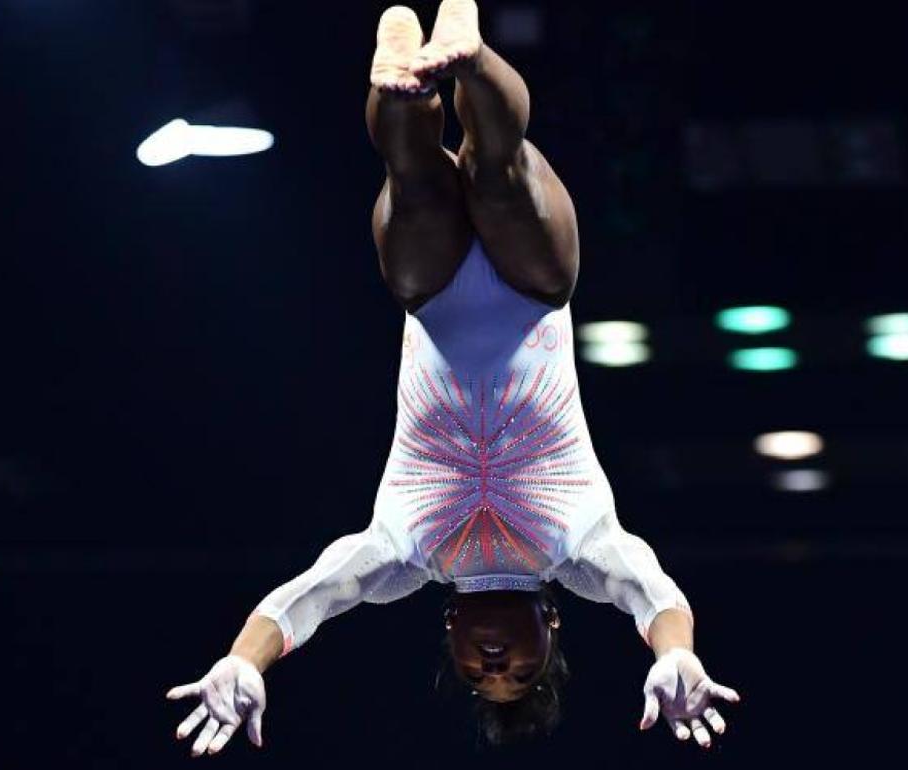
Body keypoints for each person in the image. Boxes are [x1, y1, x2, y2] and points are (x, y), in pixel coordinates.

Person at [166, 0, 740, 756]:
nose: (494, 665)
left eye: (478, 678)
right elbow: (651, 592)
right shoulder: (577, 547)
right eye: (522, 672)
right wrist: (674, 652)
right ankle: (466, 56)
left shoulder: (406, 553)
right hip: (536, 287)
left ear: (449, 637)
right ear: (552, 627)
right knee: (497, 174)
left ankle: (405, 72)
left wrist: (245, 658)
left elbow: (313, 595)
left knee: (413, 173)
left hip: (430, 293)